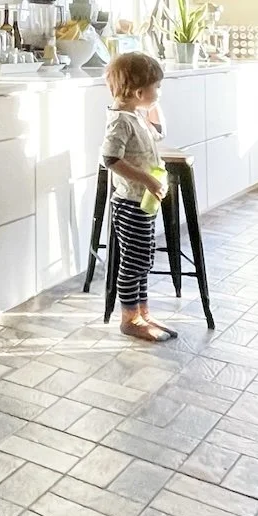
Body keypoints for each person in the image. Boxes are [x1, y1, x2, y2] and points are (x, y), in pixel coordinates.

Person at [101, 51, 173, 342]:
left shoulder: (135, 117)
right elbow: (110, 158)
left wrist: (154, 106)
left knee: (143, 259)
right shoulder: (121, 122)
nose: (158, 91)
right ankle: (129, 318)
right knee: (133, 262)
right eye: (155, 86)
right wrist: (146, 179)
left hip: (143, 202)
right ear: (137, 91)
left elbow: (160, 133)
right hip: (129, 203)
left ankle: (143, 312)